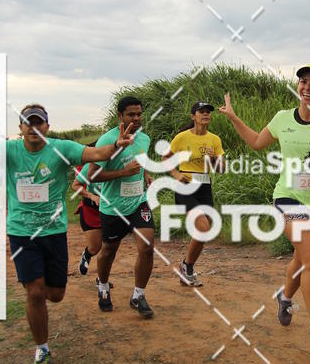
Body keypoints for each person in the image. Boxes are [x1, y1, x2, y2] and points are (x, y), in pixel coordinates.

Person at [0, 104, 134, 364]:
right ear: (20, 129)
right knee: (35, 291)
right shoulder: (9, 149)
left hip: (53, 232)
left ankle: (40, 291)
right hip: (21, 232)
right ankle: (41, 349)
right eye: (27, 123)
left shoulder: (61, 148)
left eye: (38, 123)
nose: (33, 128)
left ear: (47, 127)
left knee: (55, 295)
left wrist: (118, 145)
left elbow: (98, 153)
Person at [219, 64, 310, 354]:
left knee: (302, 260)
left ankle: (284, 296)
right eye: (303, 81)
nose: (307, 87)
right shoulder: (282, 119)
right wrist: (233, 118)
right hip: (288, 200)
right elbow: (256, 142)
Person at [85, 96, 155, 317]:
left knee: (146, 247)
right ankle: (103, 285)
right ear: (120, 116)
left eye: (139, 114)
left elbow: (139, 161)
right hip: (112, 207)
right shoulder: (107, 140)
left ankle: (138, 295)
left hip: (138, 202)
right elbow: (92, 176)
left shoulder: (144, 139)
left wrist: (145, 175)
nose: (136, 118)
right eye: (131, 114)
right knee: (108, 251)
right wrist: (123, 173)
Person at [165, 101, 225, 286]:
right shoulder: (182, 137)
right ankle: (187, 267)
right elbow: (166, 157)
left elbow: (221, 169)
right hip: (185, 187)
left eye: (208, 112)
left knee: (203, 232)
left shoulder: (214, 139)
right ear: (193, 116)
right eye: (201, 112)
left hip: (205, 187)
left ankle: (187, 265)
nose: (205, 114)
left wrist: (213, 158)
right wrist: (176, 174)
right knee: (203, 226)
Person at [72, 148, 104, 278]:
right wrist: (92, 196)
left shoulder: (116, 164)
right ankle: (87, 255)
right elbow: (76, 186)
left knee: (109, 248)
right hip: (91, 210)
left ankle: (103, 279)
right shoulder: (86, 167)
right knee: (95, 247)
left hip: (110, 210)